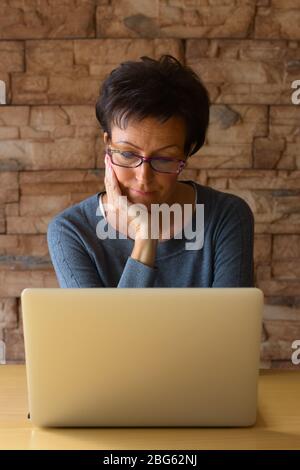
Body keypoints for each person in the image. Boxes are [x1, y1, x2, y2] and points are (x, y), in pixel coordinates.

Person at [47, 54, 254, 288]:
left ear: (187, 152)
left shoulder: (226, 217)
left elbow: (232, 324)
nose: (143, 177)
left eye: (164, 158)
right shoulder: (73, 231)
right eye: (127, 154)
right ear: (108, 144)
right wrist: (145, 239)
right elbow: (105, 327)